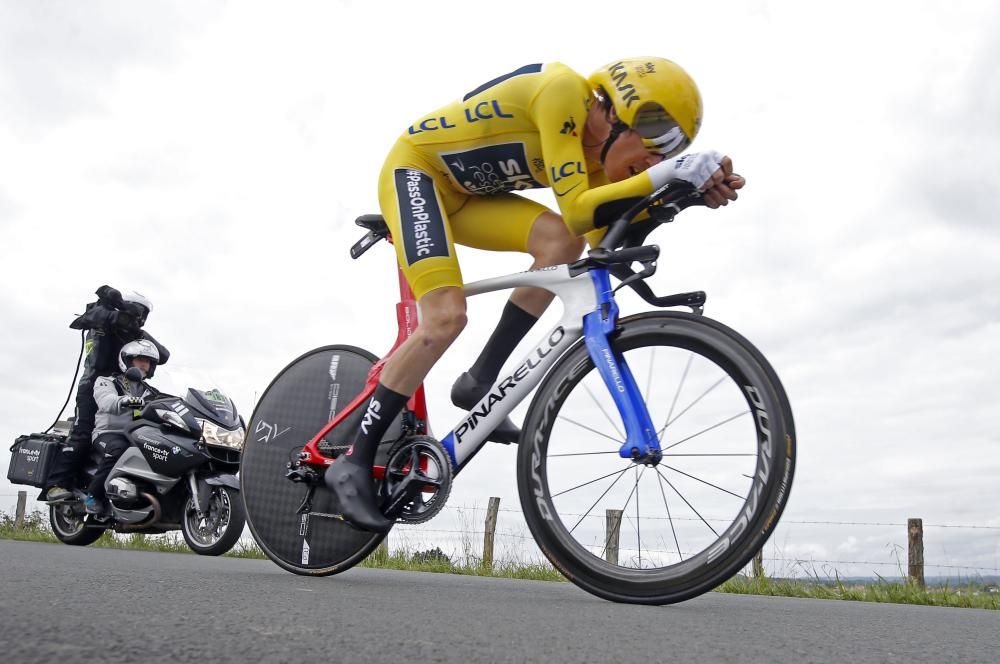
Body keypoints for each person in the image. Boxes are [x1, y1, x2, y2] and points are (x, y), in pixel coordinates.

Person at [325, 57, 745, 532]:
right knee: (445, 317)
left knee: (562, 245)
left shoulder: (599, 155)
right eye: (654, 151)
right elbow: (579, 210)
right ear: (615, 115)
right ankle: (354, 461)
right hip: (416, 173)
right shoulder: (563, 94)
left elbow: (608, 236)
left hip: (467, 199)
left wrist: (681, 198)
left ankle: (480, 380)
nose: (653, 164)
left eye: (667, 157)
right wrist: (672, 174)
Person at [43, 286, 170, 500]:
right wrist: (117, 314)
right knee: (83, 432)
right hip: (95, 385)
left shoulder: (133, 335)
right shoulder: (100, 316)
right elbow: (86, 318)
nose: (140, 317)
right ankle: (56, 484)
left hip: (126, 385)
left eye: (144, 314)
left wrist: (137, 333)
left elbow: (163, 354)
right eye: (138, 311)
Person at [82, 339, 161, 515]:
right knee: (119, 450)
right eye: (140, 359)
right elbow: (106, 401)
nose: (144, 364)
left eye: (148, 361)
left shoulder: (151, 391)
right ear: (127, 360)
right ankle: (92, 496)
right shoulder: (107, 381)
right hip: (108, 434)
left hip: (138, 435)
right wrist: (124, 400)